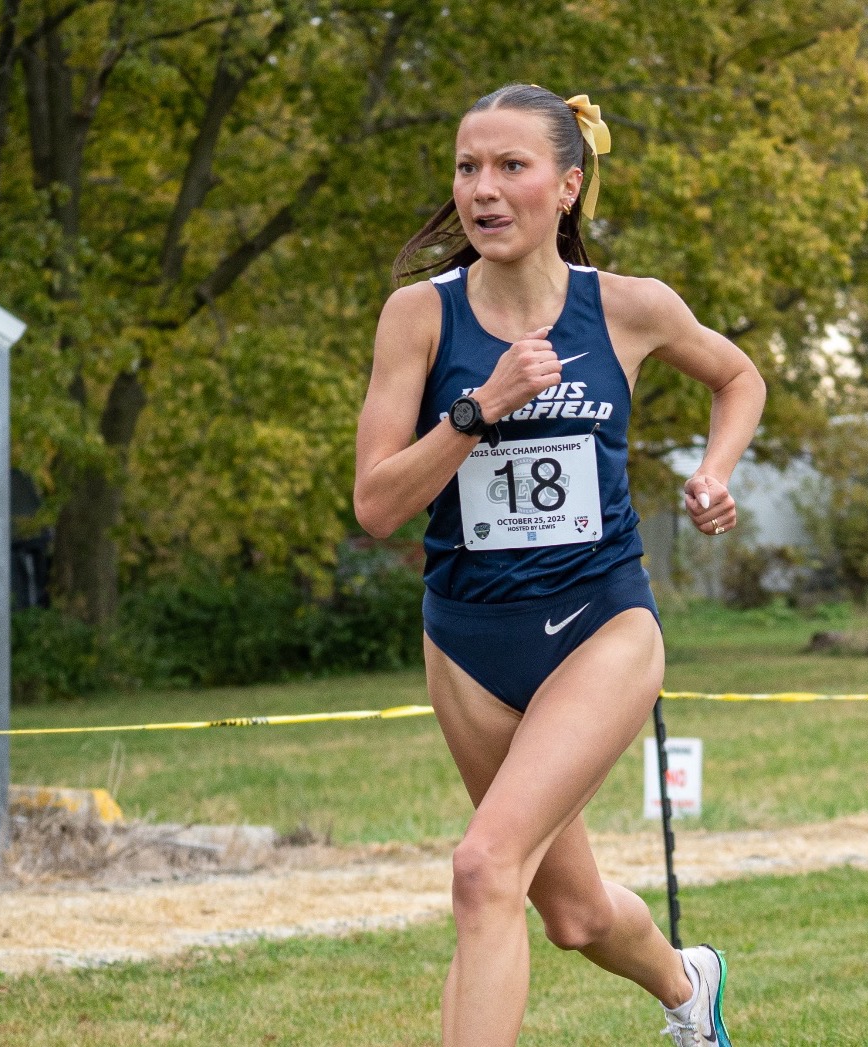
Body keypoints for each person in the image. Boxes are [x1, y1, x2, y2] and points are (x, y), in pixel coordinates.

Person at [354, 83, 764, 1047]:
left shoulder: (628, 308)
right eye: (467, 168)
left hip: (601, 625)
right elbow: (377, 506)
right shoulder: (418, 318)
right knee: (567, 913)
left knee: (481, 869)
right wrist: (479, 406)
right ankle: (686, 984)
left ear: (566, 187)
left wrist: (713, 471)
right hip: (467, 641)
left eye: (510, 167)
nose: (483, 191)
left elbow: (737, 376)